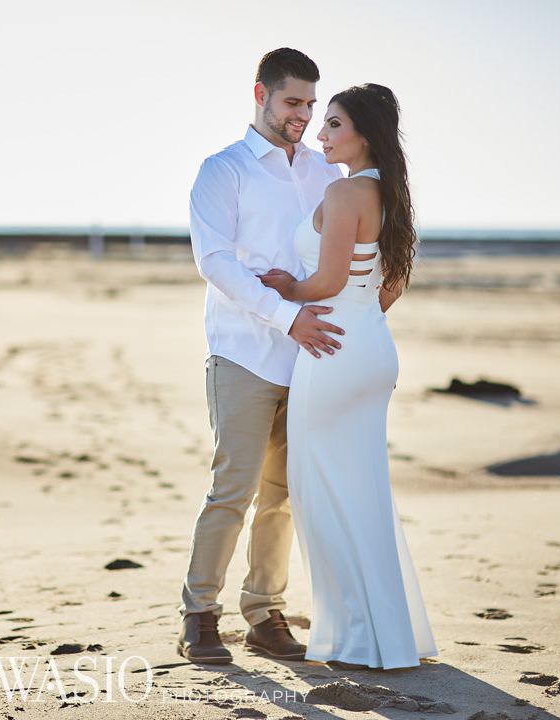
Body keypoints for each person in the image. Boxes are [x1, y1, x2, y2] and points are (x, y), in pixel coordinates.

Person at [258, 83, 438, 669]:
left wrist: (287, 290)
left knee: (322, 495)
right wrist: (356, 320)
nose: (320, 133)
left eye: (333, 124)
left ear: (363, 133)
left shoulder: (344, 193)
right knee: (364, 494)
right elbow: (387, 286)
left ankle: (358, 639)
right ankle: (387, 636)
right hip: (369, 349)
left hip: (331, 354)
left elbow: (328, 280)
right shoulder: (392, 195)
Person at [177, 48, 345, 664]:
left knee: (285, 494)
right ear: (261, 94)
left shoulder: (326, 174)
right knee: (234, 489)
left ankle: (265, 614)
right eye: (292, 101)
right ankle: (199, 614)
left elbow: (330, 259)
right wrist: (287, 315)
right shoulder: (224, 170)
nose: (303, 114)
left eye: (310, 103)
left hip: (310, 359)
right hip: (244, 354)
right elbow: (216, 263)